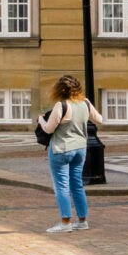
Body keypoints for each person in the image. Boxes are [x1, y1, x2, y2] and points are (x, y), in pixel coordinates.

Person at [38, 75, 101, 233]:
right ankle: (82, 220)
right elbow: (99, 119)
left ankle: (65, 222)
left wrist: (41, 120)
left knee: (61, 186)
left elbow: (48, 129)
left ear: (59, 90)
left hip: (61, 149)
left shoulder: (62, 105)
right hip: (80, 148)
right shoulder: (85, 103)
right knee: (77, 185)